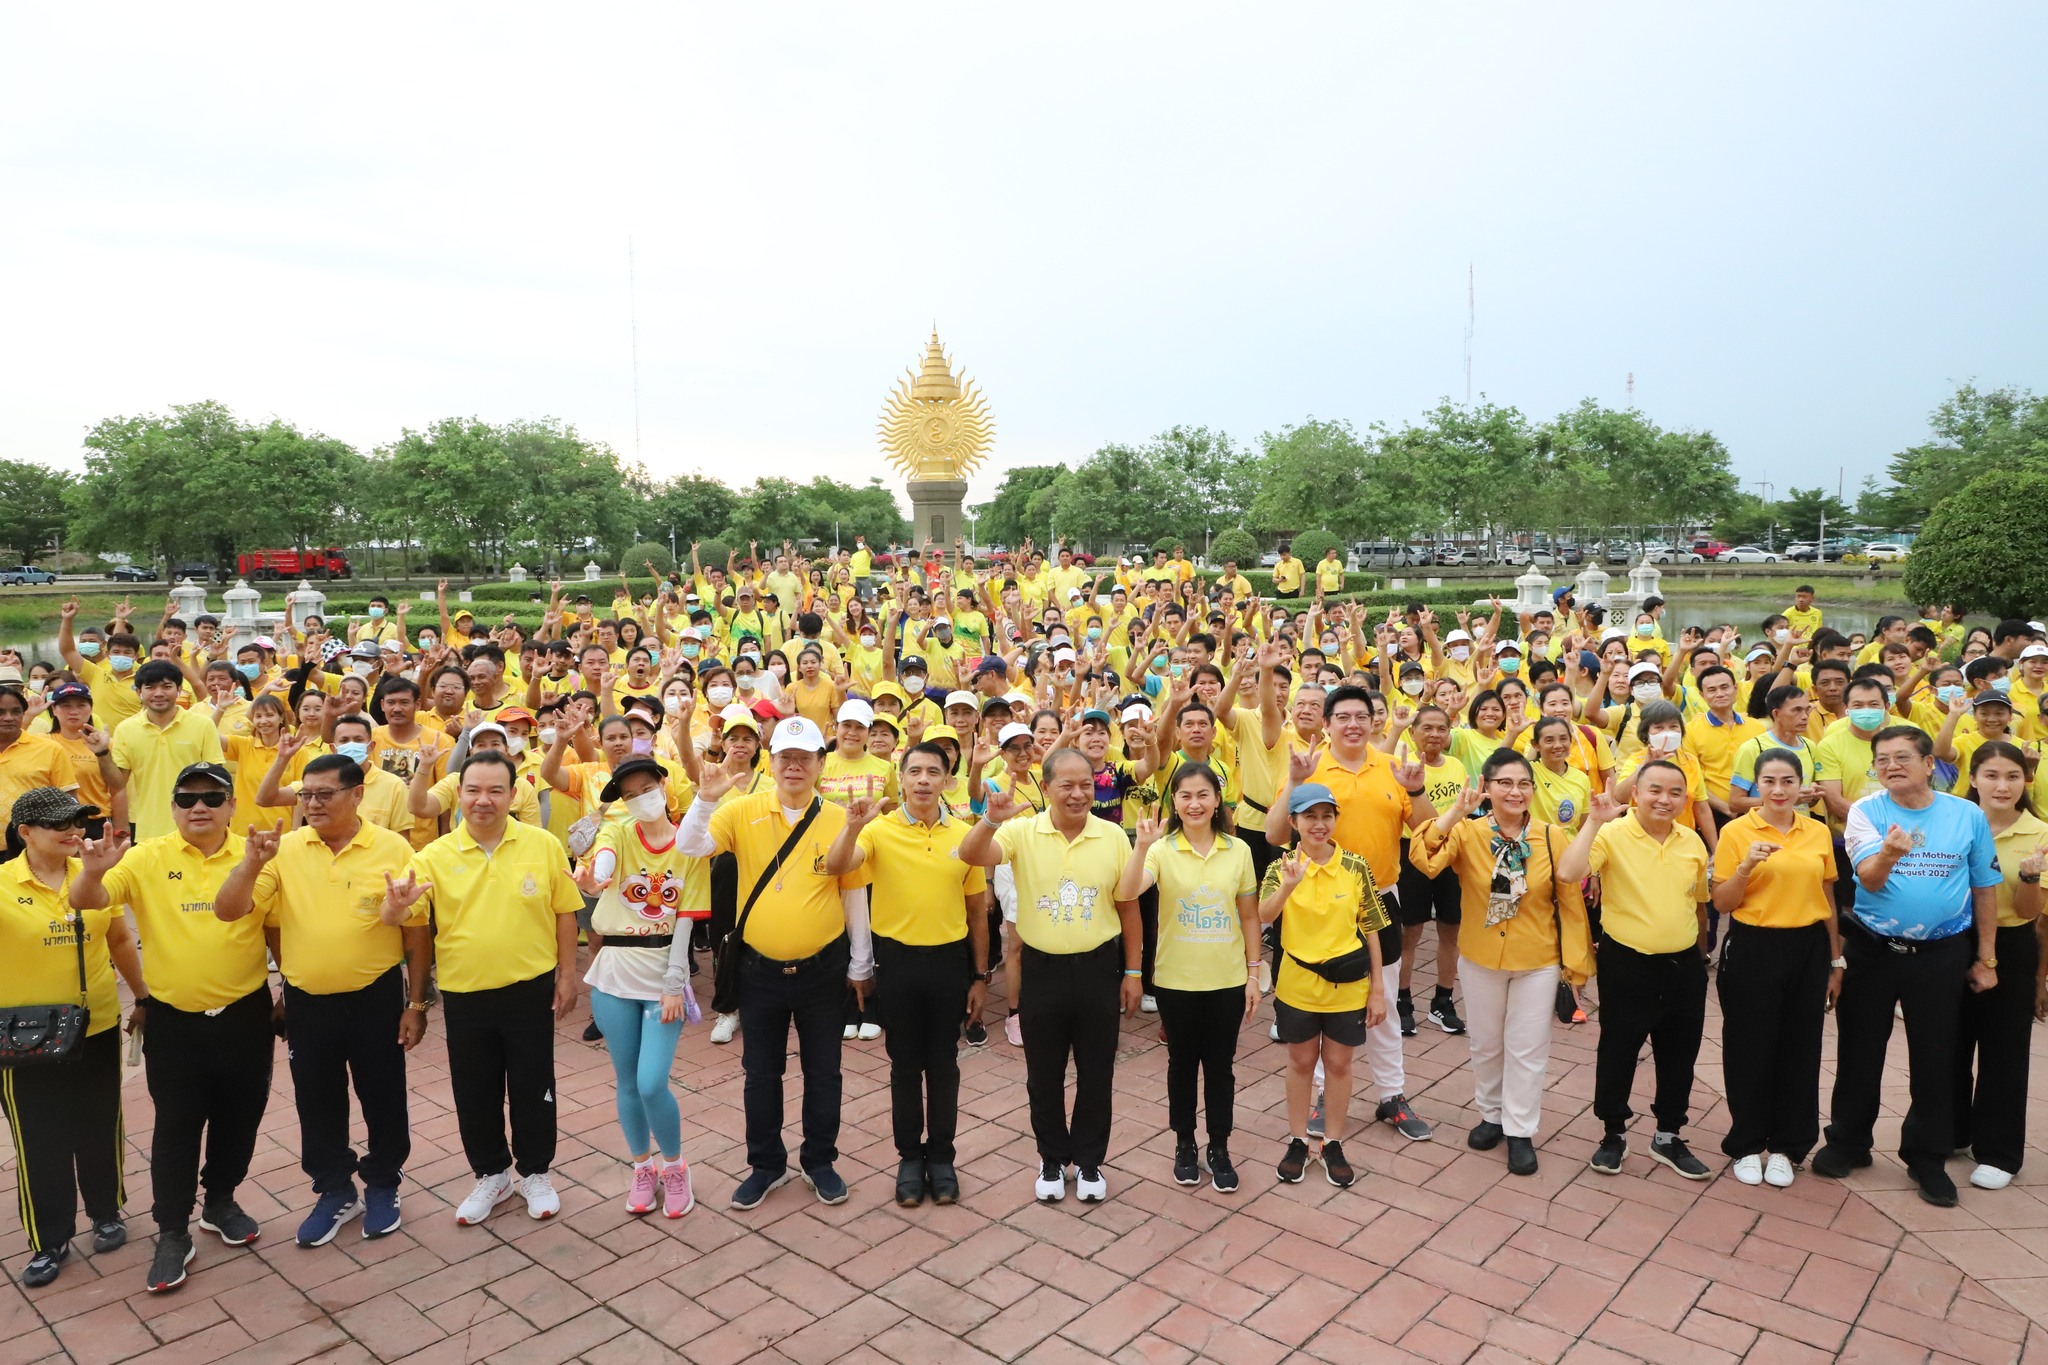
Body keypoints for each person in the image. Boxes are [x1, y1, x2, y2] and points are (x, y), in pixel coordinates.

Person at [69, 763, 274, 1293]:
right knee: (177, 1126)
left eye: (211, 797)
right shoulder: (143, 857)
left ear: (232, 805)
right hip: (174, 1021)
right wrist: (92, 871)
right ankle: (172, 1231)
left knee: (241, 1117)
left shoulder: (260, 854)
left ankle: (221, 1199)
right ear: (173, 807)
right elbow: (86, 901)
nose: (198, 806)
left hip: (244, 1015)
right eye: (186, 798)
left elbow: (257, 921)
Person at [214, 754, 425, 1247]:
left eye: (324, 794)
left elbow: (416, 933)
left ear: (356, 795)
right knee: (317, 1100)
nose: (311, 804)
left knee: (384, 1095)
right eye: (305, 795)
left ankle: (382, 1184)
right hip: (308, 1002)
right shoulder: (283, 850)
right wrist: (250, 864)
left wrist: (415, 1005)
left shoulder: (393, 848)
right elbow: (230, 910)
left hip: (375, 998)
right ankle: (334, 1189)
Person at [674, 716, 874, 1211]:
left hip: (823, 969)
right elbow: (690, 846)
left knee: (824, 1071)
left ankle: (819, 1160)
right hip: (758, 970)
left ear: (820, 765)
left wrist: (861, 964)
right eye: (785, 757)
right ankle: (766, 1165)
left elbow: (852, 893)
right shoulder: (741, 810)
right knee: (760, 1073)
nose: (794, 766)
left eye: (805, 758)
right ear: (772, 759)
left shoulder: (841, 817)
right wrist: (705, 798)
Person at [384, 750, 582, 1224]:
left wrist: (568, 974)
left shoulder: (542, 845)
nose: (483, 800)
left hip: (529, 989)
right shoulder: (432, 856)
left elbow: (564, 912)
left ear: (514, 795)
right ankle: (491, 1173)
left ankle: (535, 1172)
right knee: (475, 1089)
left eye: (496, 790)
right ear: (458, 794)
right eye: (473, 790)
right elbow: (403, 922)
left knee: (535, 1085)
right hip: (466, 994)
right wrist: (394, 907)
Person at [1810, 726, 2002, 1208]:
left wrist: (1986, 956)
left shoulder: (1967, 815)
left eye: (1901, 757)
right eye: (1882, 759)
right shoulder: (1865, 813)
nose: (1890, 766)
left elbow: (1984, 886)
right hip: (1873, 952)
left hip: (1941, 955)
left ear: (1929, 764)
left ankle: (1927, 1157)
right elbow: (1870, 883)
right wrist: (1892, 853)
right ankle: (1848, 1144)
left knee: (1936, 1057)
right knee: (1859, 1051)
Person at [958, 747, 1139, 1204]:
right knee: (1044, 1072)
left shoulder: (1113, 835)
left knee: (1097, 1070)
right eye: (1067, 785)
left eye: (1086, 785)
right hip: (1041, 970)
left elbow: (1128, 904)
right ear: (1048, 785)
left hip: (1098, 967)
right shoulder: (1022, 830)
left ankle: (1091, 1159)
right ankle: (1052, 1157)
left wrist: (1133, 970)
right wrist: (991, 819)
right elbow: (970, 853)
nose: (1078, 794)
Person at [1266, 684, 1436, 1144]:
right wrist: (1297, 783)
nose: (1354, 724)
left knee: (1381, 1003)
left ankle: (1392, 1095)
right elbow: (1273, 832)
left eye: (1362, 716)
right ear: (1327, 723)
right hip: (1319, 898)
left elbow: (1427, 827)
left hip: (1379, 893)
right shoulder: (1311, 765)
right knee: (1324, 997)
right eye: (1342, 716)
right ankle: (1322, 1093)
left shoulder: (1392, 766)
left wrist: (1416, 788)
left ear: (1374, 720)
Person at [1411, 751, 1592, 1177]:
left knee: (1527, 1048)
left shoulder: (1552, 835)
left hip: (1538, 957)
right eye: (1505, 783)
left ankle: (1520, 1129)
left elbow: (1569, 902)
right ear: (1487, 788)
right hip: (1480, 955)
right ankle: (1492, 1114)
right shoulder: (1468, 833)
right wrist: (1456, 810)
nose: (1515, 791)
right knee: (1486, 1043)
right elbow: (1424, 857)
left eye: (1523, 783)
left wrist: (1575, 968)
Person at [825, 744, 991, 1207]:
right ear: (900, 779)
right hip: (895, 963)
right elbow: (839, 866)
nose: (922, 780)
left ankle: (941, 1156)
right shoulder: (878, 831)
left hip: (948, 963)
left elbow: (977, 911)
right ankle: (908, 1157)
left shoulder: (964, 835)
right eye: (914, 771)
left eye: (932, 772)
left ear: (945, 780)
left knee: (944, 1064)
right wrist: (853, 825)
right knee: (903, 1065)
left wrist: (979, 976)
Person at [1, 788, 145, 1288]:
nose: (73, 830)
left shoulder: (96, 873)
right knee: (39, 1139)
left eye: (77, 821)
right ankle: (49, 1238)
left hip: (96, 1025)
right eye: (57, 822)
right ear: (24, 832)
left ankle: (107, 1213)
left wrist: (143, 997)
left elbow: (120, 938)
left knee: (100, 1124)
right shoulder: (1, 884)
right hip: (23, 1041)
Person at [1559, 765, 1714, 1180]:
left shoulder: (1693, 842)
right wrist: (1593, 821)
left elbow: (1699, 905)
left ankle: (1668, 1135)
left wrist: (1700, 957)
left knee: (1680, 1052)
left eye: (1676, 792)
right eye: (1655, 790)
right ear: (1637, 793)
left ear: (1685, 799)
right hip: (1626, 962)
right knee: (1619, 1048)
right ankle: (1613, 1133)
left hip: (1683, 964)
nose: (1665, 799)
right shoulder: (1612, 833)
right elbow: (1569, 873)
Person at [1116, 763, 1260, 1192]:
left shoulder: (1239, 850)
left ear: (1217, 800)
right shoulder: (1161, 850)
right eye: (1185, 796)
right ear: (1173, 803)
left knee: (1220, 1067)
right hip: (1176, 981)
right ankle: (1184, 1143)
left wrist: (1254, 975)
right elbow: (1125, 893)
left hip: (1228, 979)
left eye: (1203, 795)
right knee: (1181, 1065)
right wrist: (1141, 846)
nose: (1194, 803)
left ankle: (1219, 1146)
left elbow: (1250, 916)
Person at [572, 756, 703, 1218]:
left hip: (661, 973)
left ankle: (675, 1166)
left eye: (646, 788)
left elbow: (686, 918)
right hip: (613, 971)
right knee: (626, 1080)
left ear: (663, 785)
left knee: (652, 1082)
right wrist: (595, 876)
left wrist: (674, 984)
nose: (639, 799)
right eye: (629, 795)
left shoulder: (691, 842)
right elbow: (603, 854)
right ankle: (642, 1167)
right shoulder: (620, 831)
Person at [1710, 749, 1841, 1188]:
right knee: (1749, 1045)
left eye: (1788, 781)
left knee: (1801, 1047)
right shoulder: (1735, 832)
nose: (1779, 790)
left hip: (1806, 947)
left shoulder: (1817, 832)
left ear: (1801, 785)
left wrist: (1835, 957)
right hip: (1753, 945)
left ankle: (1788, 1146)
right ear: (1757, 785)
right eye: (1769, 781)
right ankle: (1747, 1143)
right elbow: (1723, 903)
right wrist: (1746, 866)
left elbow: (1826, 900)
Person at [1259, 782, 1390, 1188]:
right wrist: (1289, 885)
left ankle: (1333, 1142)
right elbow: (1263, 914)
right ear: (1294, 822)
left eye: (1326, 816)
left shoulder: (1355, 866)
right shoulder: (1280, 866)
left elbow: (1370, 928)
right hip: (1297, 984)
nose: (1319, 824)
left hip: (1347, 987)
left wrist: (1378, 989)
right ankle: (1298, 1140)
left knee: (1339, 1063)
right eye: (1309, 816)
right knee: (1299, 1062)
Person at [1952, 741, 2046, 1191]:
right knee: (1948, 1041)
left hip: (2010, 944)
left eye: (2012, 776)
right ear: (1973, 779)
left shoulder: (2040, 833)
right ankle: (1951, 1131)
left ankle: (1999, 1152)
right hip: (1950, 941)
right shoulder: (1952, 821)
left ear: (2025, 781)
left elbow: (2031, 912)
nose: (2002, 785)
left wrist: (2029, 876)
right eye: (1991, 775)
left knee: (2004, 1050)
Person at [109, 660, 225, 841]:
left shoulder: (203, 725)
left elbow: (217, 780)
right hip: (147, 829)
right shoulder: (125, 729)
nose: (159, 693)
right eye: (150, 687)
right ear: (139, 692)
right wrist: (102, 753)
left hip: (196, 828)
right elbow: (117, 785)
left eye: (166, 686)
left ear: (179, 690)